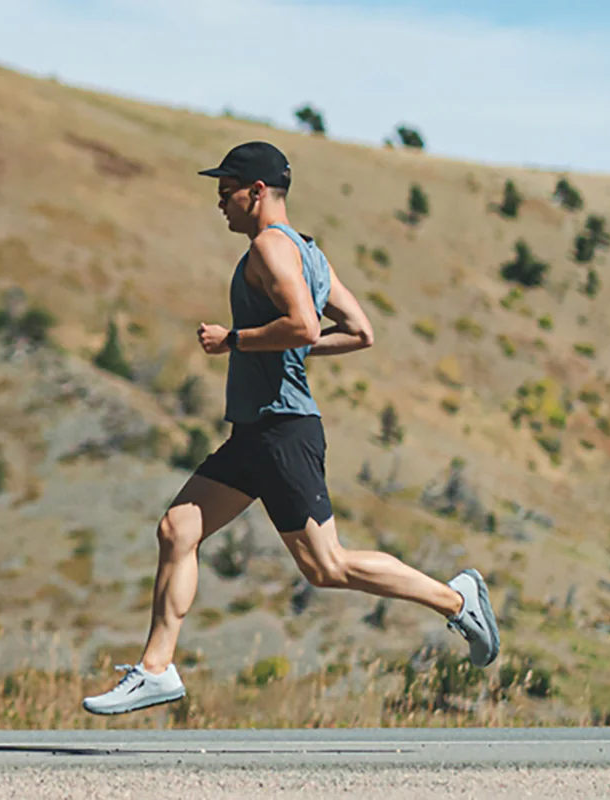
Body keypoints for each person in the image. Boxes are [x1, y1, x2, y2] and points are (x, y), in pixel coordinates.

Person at [80, 141, 500, 716]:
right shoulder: (308, 253)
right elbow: (358, 331)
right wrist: (284, 357)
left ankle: (457, 600)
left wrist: (236, 341)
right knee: (178, 529)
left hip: (283, 434)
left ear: (256, 193)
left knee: (327, 567)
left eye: (226, 192)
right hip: (257, 433)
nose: (219, 203)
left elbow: (302, 325)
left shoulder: (270, 250)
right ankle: (156, 670)